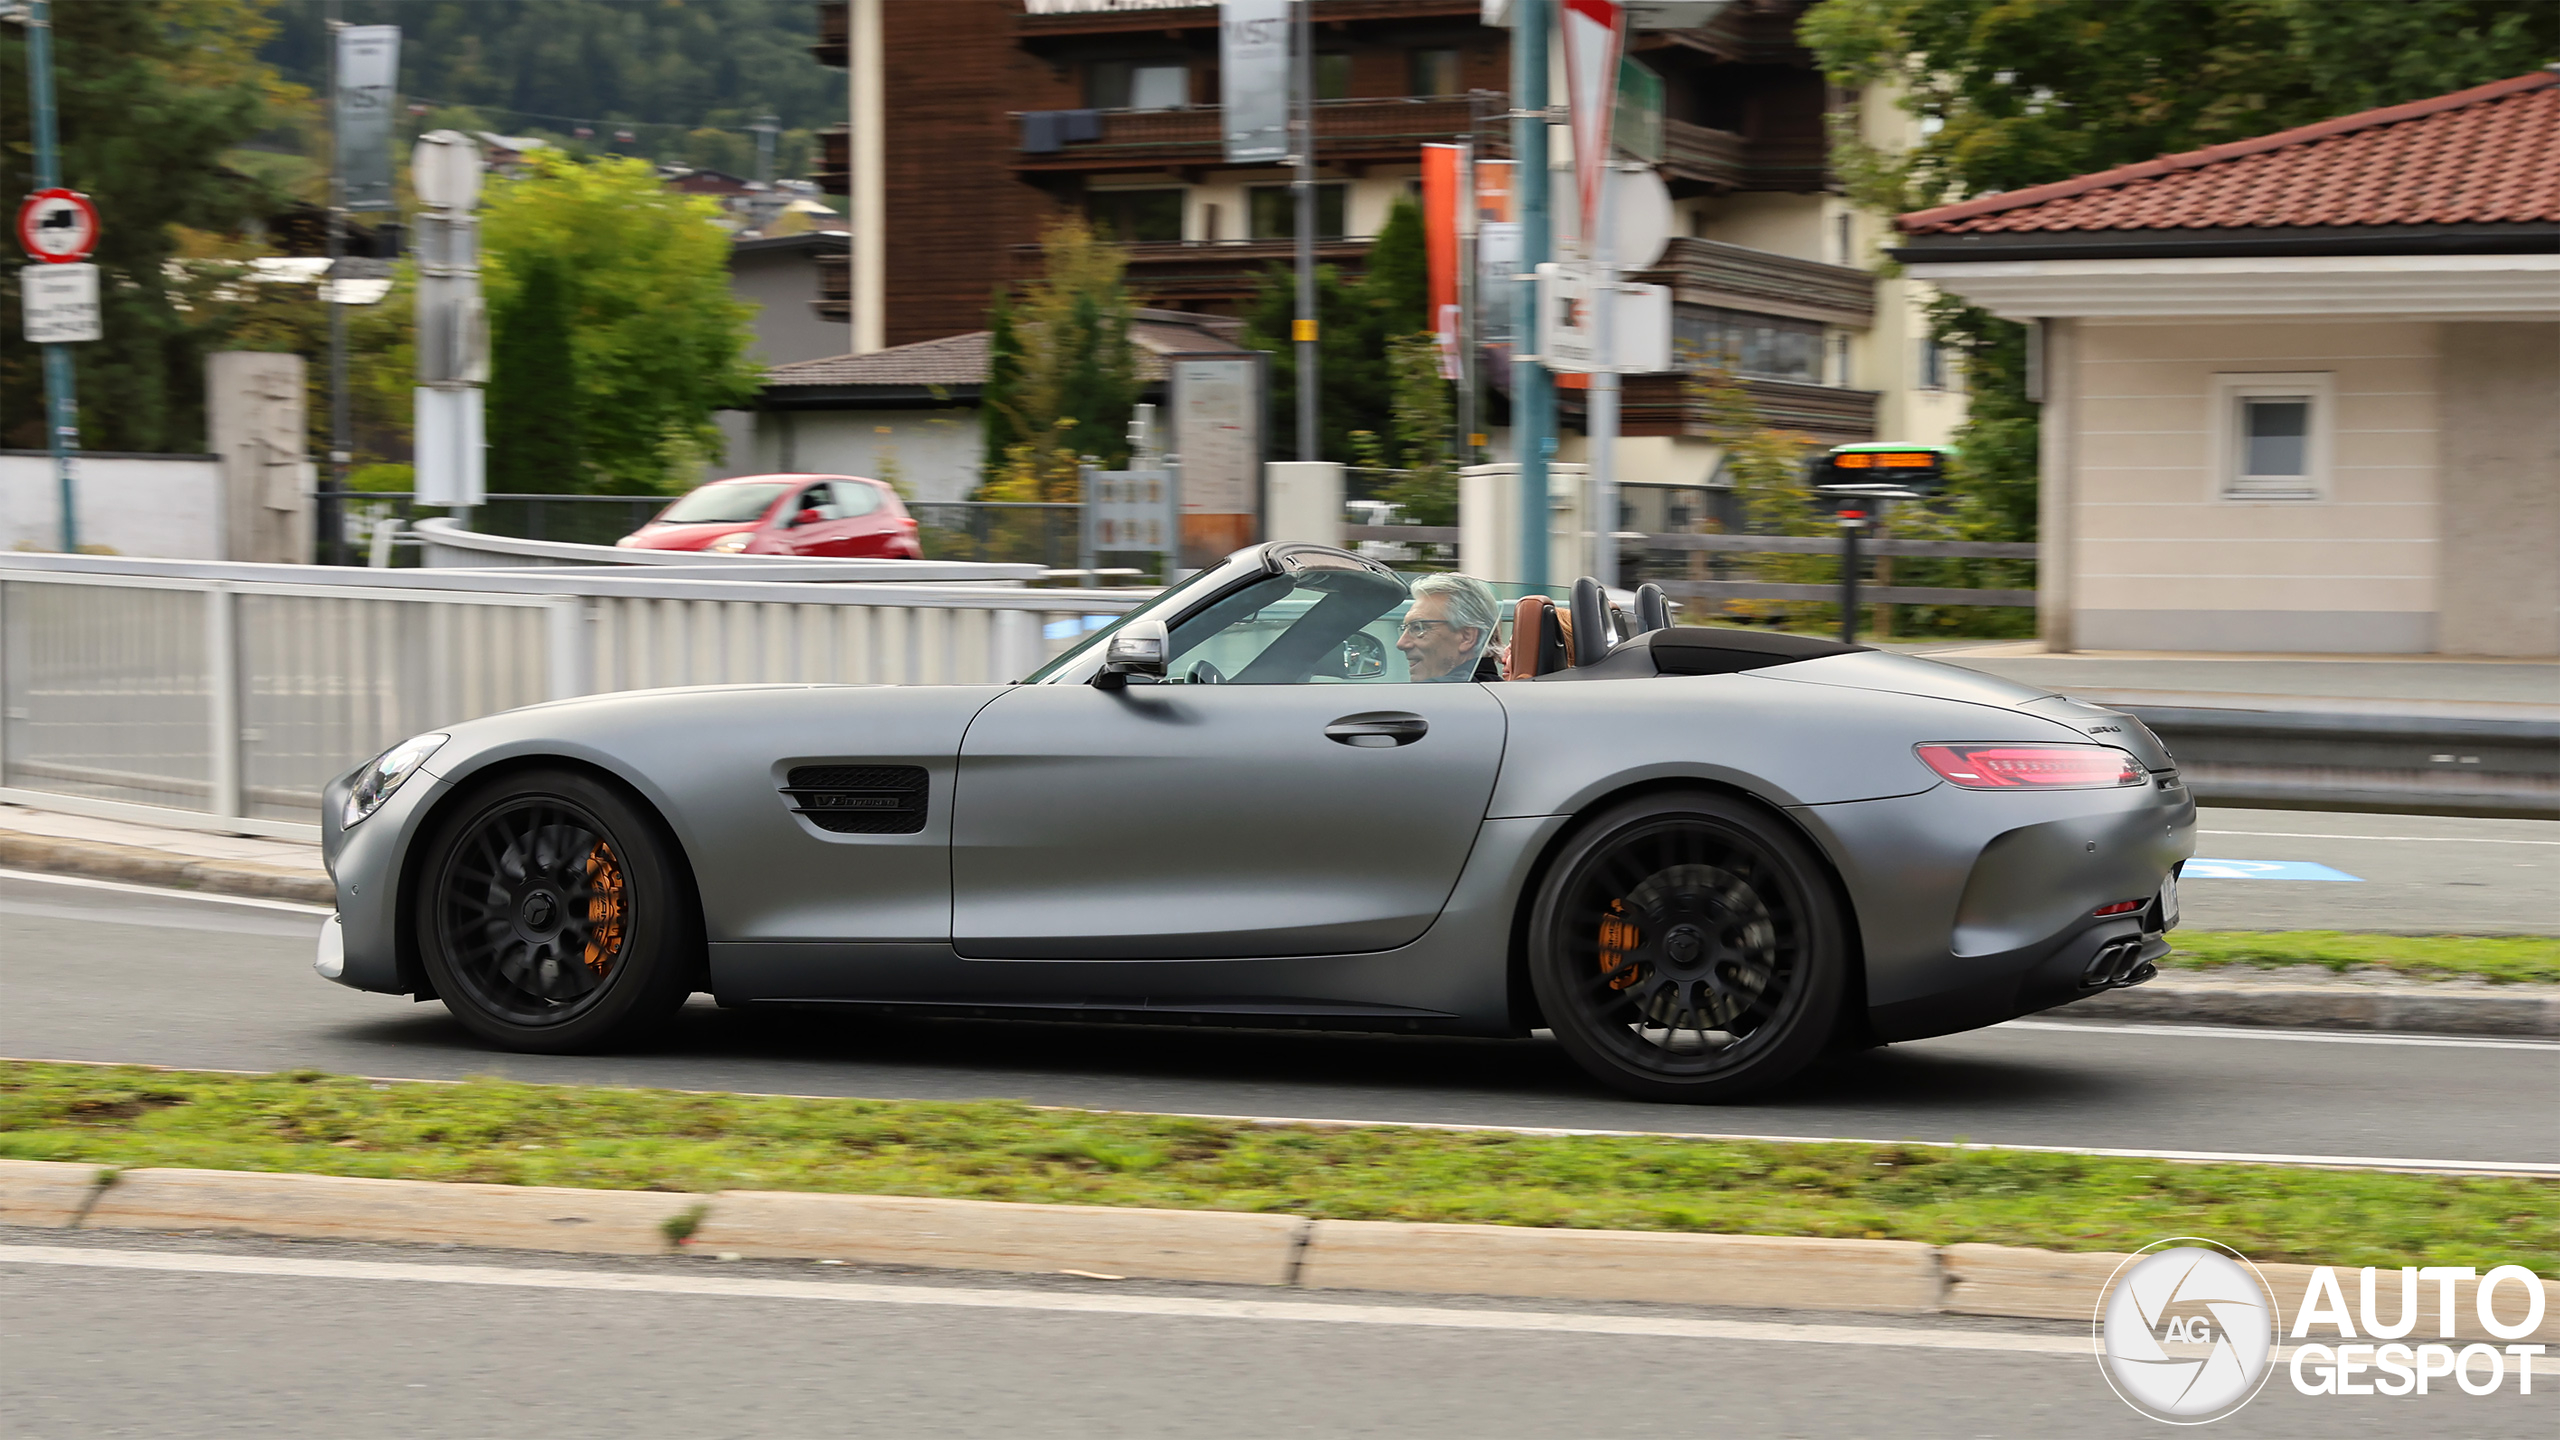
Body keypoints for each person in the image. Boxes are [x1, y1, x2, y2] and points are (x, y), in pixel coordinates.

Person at [1396, 572, 1499, 682]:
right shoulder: (1497, 689)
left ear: (1466, 637)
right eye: (1405, 628)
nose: (1401, 643)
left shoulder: (1434, 694)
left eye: (1418, 628)